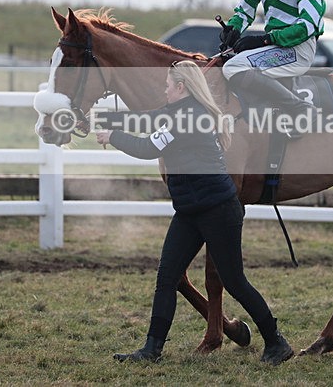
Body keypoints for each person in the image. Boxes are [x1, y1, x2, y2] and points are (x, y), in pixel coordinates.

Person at [96, 60, 293, 366]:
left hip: (217, 211)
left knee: (235, 281)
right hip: (190, 210)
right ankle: (152, 349)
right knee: (167, 277)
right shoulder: (178, 112)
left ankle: (276, 342)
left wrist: (113, 137)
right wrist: (106, 120)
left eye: (167, 85)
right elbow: (147, 119)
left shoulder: (187, 117)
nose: (164, 90)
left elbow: (149, 147)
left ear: (181, 87)